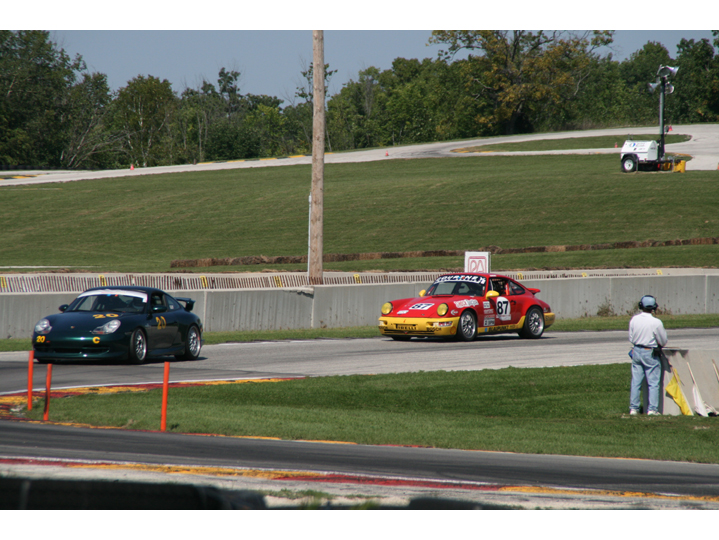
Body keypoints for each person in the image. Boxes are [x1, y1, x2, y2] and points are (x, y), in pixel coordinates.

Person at [628, 295, 668, 415]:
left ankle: (633, 408)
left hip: (636, 351)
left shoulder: (634, 319)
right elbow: (663, 340)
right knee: (653, 383)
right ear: (654, 308)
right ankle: (652, 409)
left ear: (641, 306)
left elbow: (631, 337)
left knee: (636, 381)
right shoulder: (656, 322)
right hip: (649, 352)